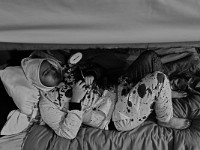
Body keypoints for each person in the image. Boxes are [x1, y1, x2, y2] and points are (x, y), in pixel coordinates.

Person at [24, 50, 190, 139]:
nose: (53, 71)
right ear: (37, 81)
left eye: (51, 67)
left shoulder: (68, 72)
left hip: (117, 88)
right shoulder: (47, 103)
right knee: (158, 78)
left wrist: (92, 75)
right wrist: (75, 102)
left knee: (150, 57)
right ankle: (165, 119)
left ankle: (163, 94)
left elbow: (98, 70)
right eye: (46, 72)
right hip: (117, 116)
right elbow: (67, 133)